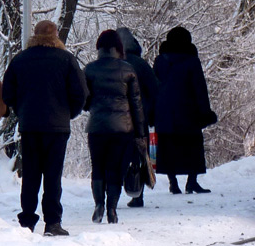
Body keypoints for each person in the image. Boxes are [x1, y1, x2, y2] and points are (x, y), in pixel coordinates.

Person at [2, 20, 88, 236]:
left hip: (30, 125)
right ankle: (53, 223)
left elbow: (7, 94)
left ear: (34, 35)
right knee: (53, 175)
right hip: (58, 127)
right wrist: (68, 113)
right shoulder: (66, 60)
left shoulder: (20, 60)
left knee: (30, 174)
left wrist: (21, 110)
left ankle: (27, 221)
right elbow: (81, 93)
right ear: (56, 35)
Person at [84, 29, 147, 224]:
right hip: (123, 129)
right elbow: (136, 104)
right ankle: (112, 208)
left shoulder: (90, 69)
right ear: (118, 48)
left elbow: (85, 102)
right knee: (115, 169)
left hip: (97, 128)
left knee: (98, 167)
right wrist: (141, 133)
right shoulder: (128, 70)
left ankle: (98, 205)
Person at [154, 26, 215, 194]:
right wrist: (205, 113)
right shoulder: (192, 61)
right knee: (192, 147)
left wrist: (153, 112)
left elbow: (154, 87)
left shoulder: (160, 61)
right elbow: (200, 89)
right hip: (188, 114)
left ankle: (173, 183)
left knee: (167, 149)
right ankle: (192, 182)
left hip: (164, 114)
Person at [117, 27, 160, 208]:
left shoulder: (109, 63)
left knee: (117, 154)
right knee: (137, 155)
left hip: (115, 118)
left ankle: (111, 194)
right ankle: (137, 193)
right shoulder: (140, 64)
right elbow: (155, 88)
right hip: (138, 116)